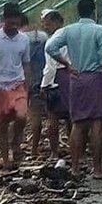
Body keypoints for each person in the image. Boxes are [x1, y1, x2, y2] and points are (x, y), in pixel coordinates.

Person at [45, 0, 102, 180]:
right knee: (97, 124)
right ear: (94, 12)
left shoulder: (68, 30)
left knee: (77, 124)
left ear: (78, 12)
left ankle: (75, 167)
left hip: (76, 79)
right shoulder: (100, 30)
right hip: (95, 78)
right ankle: (97, 169)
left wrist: (66, 64)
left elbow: (50, 47)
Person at [0, 3, 31, 169]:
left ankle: (16, 142)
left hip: (17, 85)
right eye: (11, 20)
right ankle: (6, 161)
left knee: (21, 116)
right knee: (1, 126)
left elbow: (27, 65)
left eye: (17, 20)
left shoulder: (24, 40)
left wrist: (28, 88)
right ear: (5, 20)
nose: (14, 24)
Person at [40, 9, 71, 159]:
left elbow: (50, 66)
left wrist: (44, 85)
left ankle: (54, 152)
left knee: (52, 117)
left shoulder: (52, 41)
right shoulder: (71, 37)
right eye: (44, 25)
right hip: (71, 77)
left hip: (56, 78)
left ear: (58, 22)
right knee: (71, 117)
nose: (46, 27)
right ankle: (75, 150)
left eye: (48, 24)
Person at [20, 13, 48, 160]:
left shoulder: (20, 38)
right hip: (45, 79)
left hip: (27, 81)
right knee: (49, 116)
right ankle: (39, 149)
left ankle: (27, 148)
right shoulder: (43, 36)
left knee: (28, 115)